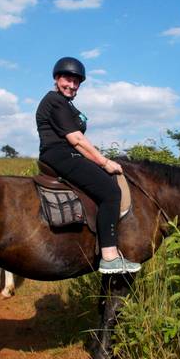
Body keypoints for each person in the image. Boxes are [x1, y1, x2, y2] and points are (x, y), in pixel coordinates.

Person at [37, 57, 141, 274]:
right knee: (111, 192)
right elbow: (76, 140)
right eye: (67, 79)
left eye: (77, 82)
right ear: (57, 78)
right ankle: (110, 257)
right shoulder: (55, 101)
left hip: (66, 154)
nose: (72, 85)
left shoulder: (65, 103)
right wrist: (105, 162)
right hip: (61, 154)